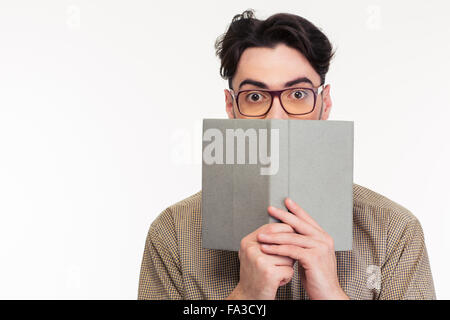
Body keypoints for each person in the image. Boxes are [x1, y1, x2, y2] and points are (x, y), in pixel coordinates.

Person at [138, 9, 436, 300]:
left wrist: (330, 294)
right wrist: (245, 297)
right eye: (255, 97)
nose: (277, 119)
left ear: (325, 103)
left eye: (297, 95)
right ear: (231, 107)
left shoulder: (393, 230)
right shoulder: (174, 233)